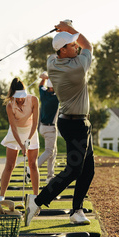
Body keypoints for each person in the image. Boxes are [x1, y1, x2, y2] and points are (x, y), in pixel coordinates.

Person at [25, 20, 94, 226]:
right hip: (75, 125)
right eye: (72, 45)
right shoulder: (78, 67)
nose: (77, 46)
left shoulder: (52, 62)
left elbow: (77, 46)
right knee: (74, 170)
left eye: (74, 44)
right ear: (63, 50)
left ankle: (76, 210)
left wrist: (66, 31)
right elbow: (88, 45)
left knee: (88, 170)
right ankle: (37, 201)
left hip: (75, 122)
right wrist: (67, 28)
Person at [0, 77, 40, 202]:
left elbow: (35, 123)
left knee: (33, 164)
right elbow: (13, 127)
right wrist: (22, 146)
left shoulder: (33, 100)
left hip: (30, 131)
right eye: (18, 96)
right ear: (13, 95)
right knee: (10, 165)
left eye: (22, 96)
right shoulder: (10, 106)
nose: (21, 99)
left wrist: (28, 140)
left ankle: (36, 197)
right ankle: (1, 197)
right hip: (15, 132)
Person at [37, 72, 59, 184]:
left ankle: (50, 176)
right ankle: (32, 168)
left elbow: (40, 86)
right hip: (50, 128)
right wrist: (48, 78)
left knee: (53, 152)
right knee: (49, 151)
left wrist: (44, 78)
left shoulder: (43, 93)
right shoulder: (56, 98)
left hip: (42, 127)